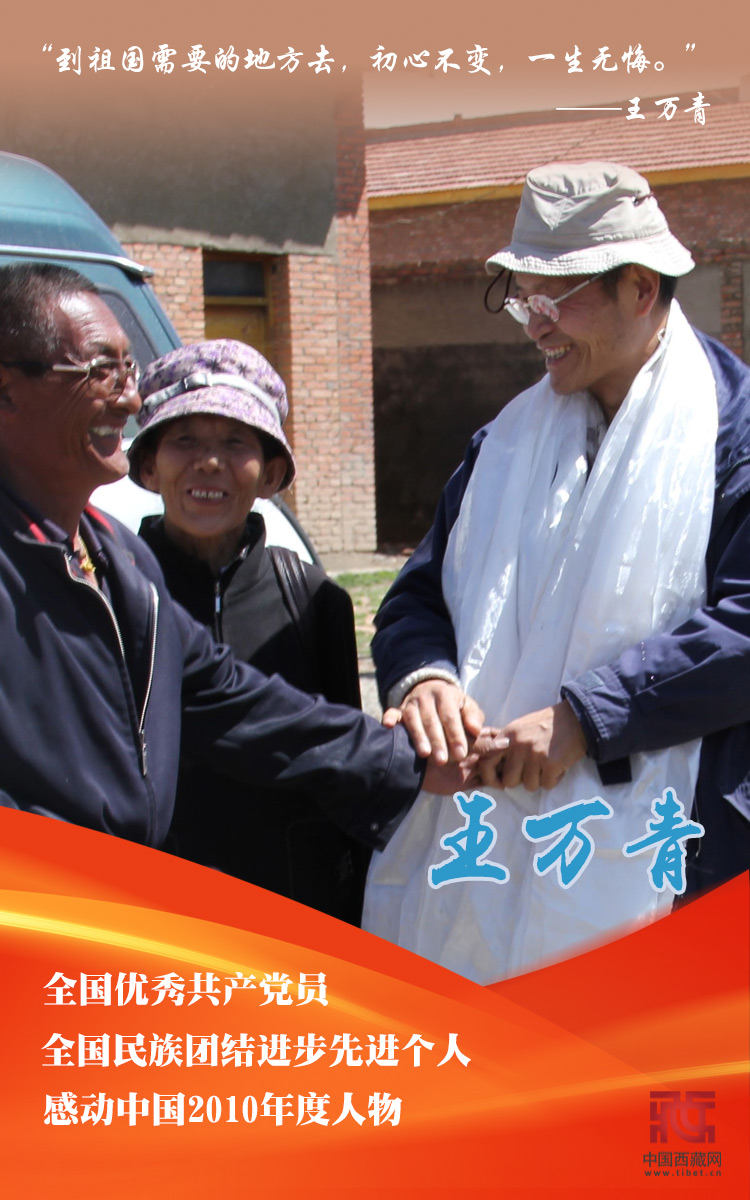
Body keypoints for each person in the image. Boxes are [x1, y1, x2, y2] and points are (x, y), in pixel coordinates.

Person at [363, 161, 750, 983]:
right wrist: (426, 679)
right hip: (496, 835)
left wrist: (588, 717)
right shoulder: (505, 443)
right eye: (522, 300)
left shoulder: (732, 436)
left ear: (639, 288)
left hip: (686, 848)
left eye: (555, 299)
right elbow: (418, 596)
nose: (534, 326)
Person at [0, 263, 489, 854]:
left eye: (128, 370)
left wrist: (403, 759)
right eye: (99, 371)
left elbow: (227, 697)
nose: (128, 397)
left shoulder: (119, 565)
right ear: (7, 390)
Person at [128, 339, 369, 921]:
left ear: (271, 473)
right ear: (149, 466)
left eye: (236, 442)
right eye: (185, 440)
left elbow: (348, 772)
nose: (209, 462)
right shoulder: (117, 596)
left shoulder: (312, 600)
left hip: (292, 915)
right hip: (155, 917)